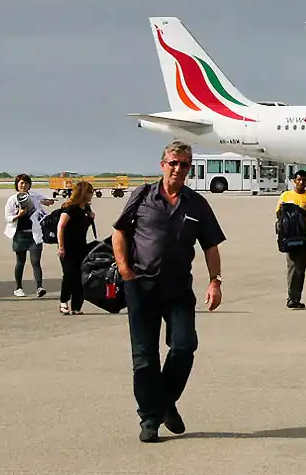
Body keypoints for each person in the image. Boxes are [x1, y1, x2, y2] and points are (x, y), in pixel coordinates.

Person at [112, 140, 225, 443]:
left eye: (184, 164)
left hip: (178, 288)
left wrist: (215, 281)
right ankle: (150, 419)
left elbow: (211, 246)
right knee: (144, 357)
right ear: (162, 165)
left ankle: (164, 402)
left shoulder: (196, 204)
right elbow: (120, 231)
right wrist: (125, 270)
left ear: (189, 168)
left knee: (184, 346)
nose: (178, 168)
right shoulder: (142, 196)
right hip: (142, 287)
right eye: (173, 163)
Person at [4, 173, 55, 298]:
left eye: (26, 183)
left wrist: (48, 201)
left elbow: (45, 200)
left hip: (34, 234)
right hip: (19, 235)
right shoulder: (12, 200)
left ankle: (39, 287)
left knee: (36, 261)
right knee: (20, 262)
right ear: (17, 185)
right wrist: (18, 215)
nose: (24, 185)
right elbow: (8, 217)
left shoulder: (34, 196)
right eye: (21, 183)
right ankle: (18, 288)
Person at [276, 170, 306, 309]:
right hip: (289, 236)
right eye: (299, 180)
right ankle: (292, 298)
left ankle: (295, 297)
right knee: (292, 268)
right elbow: (278, 215)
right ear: (294, 181)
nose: (301, 182)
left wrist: (298, 209)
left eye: (304, 180)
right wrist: (285, 210)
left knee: (300, 269)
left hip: (304, 238)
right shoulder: (285, 195)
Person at [56, 181, 96, 315]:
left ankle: (76, 307)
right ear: (83, 193)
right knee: (69, 275)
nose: (92, 194)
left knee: (80, 276)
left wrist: (91, 219)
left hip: (81, 246)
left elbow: (81, 227)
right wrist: (61, 247)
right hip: (67, 247)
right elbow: (60, 227)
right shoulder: (70, 208)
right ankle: (63, 302)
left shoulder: (86, 209)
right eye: (90, 192)